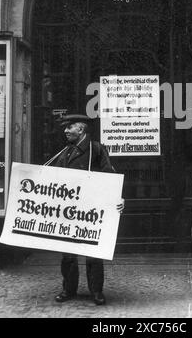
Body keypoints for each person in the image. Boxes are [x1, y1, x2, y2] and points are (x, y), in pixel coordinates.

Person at [46, 114, 125, 306]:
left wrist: (119, 198)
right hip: (69, 211)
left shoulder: (96, 149)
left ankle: (96, 291)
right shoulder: (65, 153)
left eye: (69, 127)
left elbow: (109, 175)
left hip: (92, 211)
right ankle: (68, 289)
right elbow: (52, 179)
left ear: (80, 130)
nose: (65, 131)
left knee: (93, 254)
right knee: (68, 253)